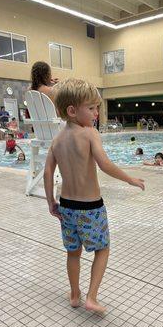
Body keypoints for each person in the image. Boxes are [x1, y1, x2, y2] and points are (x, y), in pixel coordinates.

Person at [43, 78, 145, 313]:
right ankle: (92, 297)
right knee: (103, 248)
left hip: (67, 206)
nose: (96, 113)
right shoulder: (89, 133)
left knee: (73, 252)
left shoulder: (57, 140)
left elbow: (48, 171)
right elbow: (104, 164)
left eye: (96, 107)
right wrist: (130, 179)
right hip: (91, 208)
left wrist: (51, 202)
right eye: (91, 108)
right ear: (72, 110)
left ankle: (75, 295)